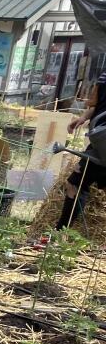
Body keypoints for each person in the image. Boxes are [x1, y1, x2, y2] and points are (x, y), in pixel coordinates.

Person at [60, 67, 106, 227]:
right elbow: (96, 104)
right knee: (76, 182)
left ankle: (60, 233)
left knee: (76, 183)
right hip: (100, 142)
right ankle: (60, 233)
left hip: (101, 142)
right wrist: (83, 118)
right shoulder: (104, 76)